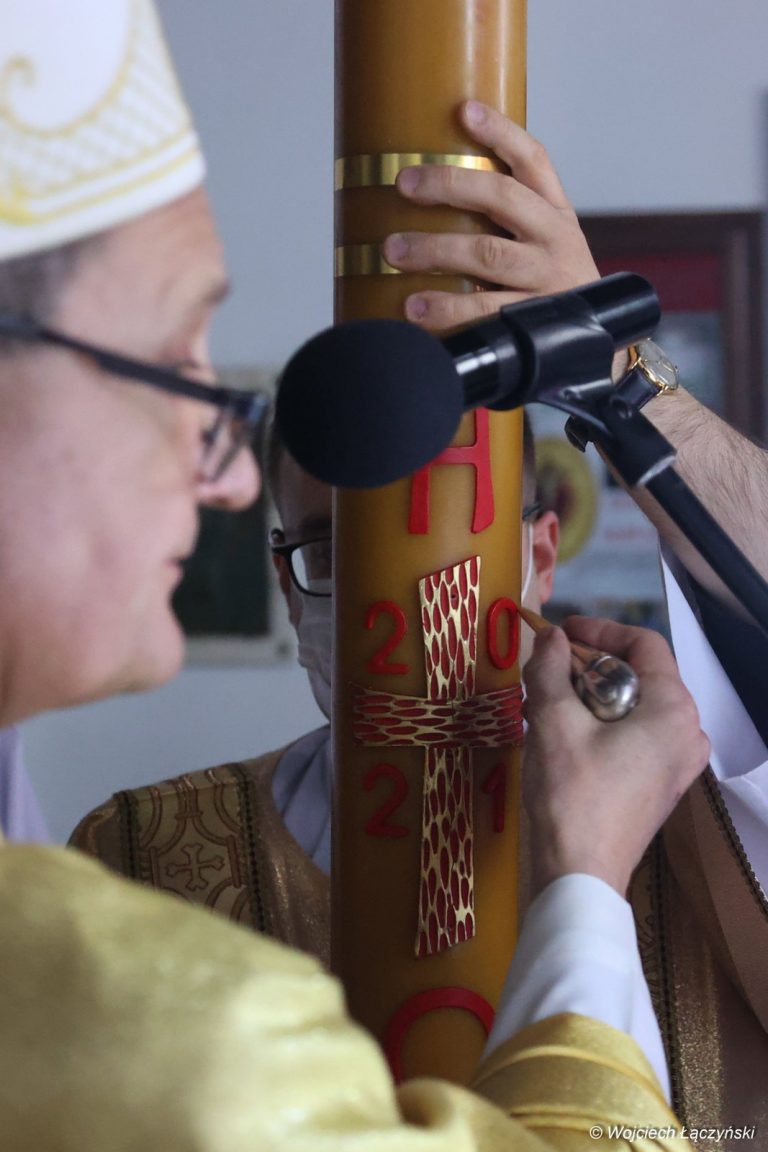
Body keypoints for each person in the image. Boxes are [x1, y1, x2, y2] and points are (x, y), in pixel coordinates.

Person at [0, 5, 706, 1147]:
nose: (226, 478)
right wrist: (582, 890)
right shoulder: (140, 882)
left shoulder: (696, 840)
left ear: (539, 554)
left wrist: (632, 382)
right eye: (173, 360)